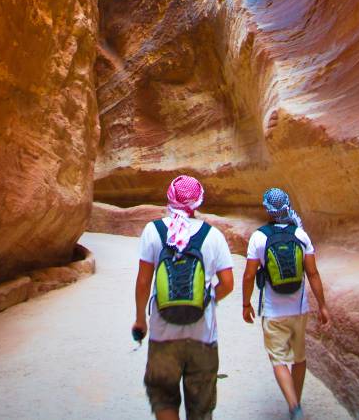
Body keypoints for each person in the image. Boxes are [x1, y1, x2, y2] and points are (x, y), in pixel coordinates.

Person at [132, 175, 234, 420]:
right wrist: (206, 300)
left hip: (162, 334)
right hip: (203, 337)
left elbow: (144, 281)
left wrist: (140, 320)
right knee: (201, 408)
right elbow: (228, 283)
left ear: (169, 198)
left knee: (164, 398)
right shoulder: (213, 235)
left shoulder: (153, 231)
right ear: (199, 202)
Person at [242, 188, 331, 420]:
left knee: (278, 359)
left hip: (273, 311)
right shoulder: (300, 235)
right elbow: (313, 273)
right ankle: (296, 403)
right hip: (299, 310)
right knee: (299, 358)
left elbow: (249, 275)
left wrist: (245, 304)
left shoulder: (259, 237)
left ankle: (293, 405)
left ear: (267, 210)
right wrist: (322, 306)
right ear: (287, 206)